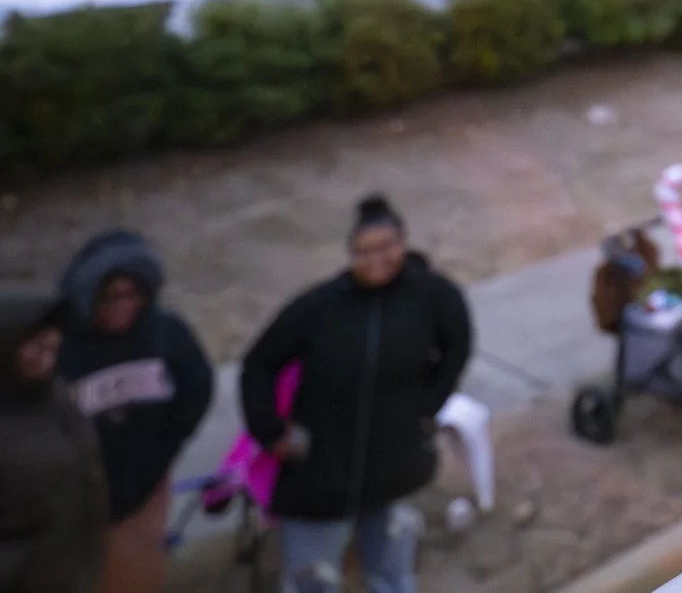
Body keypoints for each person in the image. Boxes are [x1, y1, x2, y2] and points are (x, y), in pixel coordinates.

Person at [240, 195, 472, 593]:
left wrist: (430, 405)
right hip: (323, 474)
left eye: (387, 247)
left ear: (403, 242)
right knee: (314, 580)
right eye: (363, 251)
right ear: (349, 254)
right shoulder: (320, 307)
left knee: (394, 576)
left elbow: (459, 346)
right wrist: (271, 432)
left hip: (395, 469)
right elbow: (258, 365)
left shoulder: (434, 297)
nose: (376, 259)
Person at [54, 232, 212, 593]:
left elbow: (197, 387)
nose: (124, 305)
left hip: (144, 488)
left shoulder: (164, 330)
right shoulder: (58, 341)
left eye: (133, 295)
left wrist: (165, 450)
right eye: (111, 296)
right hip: (73, 499)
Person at [1, 284, 108, 593]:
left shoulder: (55, 395)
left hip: (69, 573)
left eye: (50, 348)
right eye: (33, 348)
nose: (45, 360)